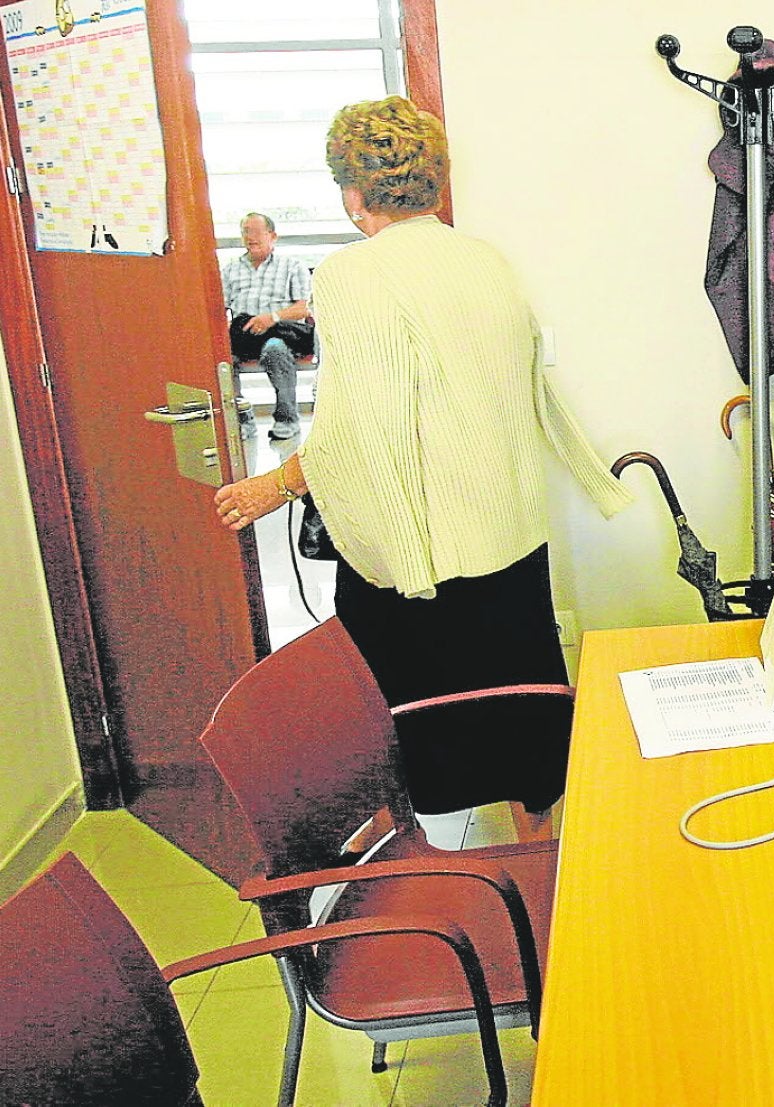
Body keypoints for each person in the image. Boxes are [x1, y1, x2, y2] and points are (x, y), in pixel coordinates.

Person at [212, 97, 634, 839]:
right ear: (435, 180)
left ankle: (415, 867)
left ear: (351, 193)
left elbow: (357, 431)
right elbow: (519, 386)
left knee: (390, 723)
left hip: (426, 561)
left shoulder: (351, 276)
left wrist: (271, 486)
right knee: (524, 726)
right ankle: (550, 890)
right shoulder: (483, 258)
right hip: (508, 537)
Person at [220, 213, 312, 440]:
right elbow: (218, 309)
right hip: (245, 334)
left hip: (281, 332)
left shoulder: (292, 267)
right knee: (221, 358)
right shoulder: (231, 269)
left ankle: (287, 418)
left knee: (275, 349)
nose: (250, 237)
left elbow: (304, 309)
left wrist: (271, 317)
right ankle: (242, 418)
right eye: (245, 232)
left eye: (256, 231)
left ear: (272, 236)